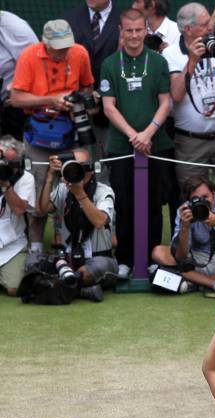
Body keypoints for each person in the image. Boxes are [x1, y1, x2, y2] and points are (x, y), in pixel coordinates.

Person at [100, 8, 174, 279]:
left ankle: (152, 257)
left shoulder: (157, 62)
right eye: (128, 30)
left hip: (156, 144)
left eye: (138, 30)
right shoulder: (109, 63)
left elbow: (166, 101)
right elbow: (109, 107)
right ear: (121, 31)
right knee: (124, 204)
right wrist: (134, 136)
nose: (133, 36)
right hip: (122, 147)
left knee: (154, 203)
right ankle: (126, 260)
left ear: (146, 31)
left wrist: (148, 134)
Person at [10, 19, 95, 253]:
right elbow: (16, 98)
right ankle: (36, 248)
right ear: (44, 42)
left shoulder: (79, 53)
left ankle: (68, 247)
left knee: (70, 188)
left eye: (66, 46)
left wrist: (77, 100)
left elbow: (88, 89)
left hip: (71, 131)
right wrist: (51, 100)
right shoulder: (29, 56)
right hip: (38, 134)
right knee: (37, 194)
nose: (63, 52)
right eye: (57, 47)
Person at [163, 2, 215, 194]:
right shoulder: (171, 53)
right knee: (194, 197)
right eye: (205, 24)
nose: (210, 27)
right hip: (191, 142)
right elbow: (177, 95)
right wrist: (192, 61)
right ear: (188, 29)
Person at [37, 149, 117, 302]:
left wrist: (80, 194)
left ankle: (59, 284)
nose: (77, 171)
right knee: (32, 263)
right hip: (68, 258)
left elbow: (99, 222)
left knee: (88, 272)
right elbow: (41, 209)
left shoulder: (104, 191)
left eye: (82, 166)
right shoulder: (62, 189)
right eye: (73, 166)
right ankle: (82, 290)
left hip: (98, 258)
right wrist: (49, 178)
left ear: (91, 170)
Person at [63, 0, 122, 174]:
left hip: (114, 109)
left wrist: (101, 93)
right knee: (77, 167)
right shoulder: (69, 19)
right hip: (73, 109)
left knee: (109, 168)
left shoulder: (125, 21)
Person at [0, 137, 35, 297]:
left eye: (10, 164)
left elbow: (19, 209)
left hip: (12, 246)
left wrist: (6, 185)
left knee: (15, 288)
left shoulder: (25, 178)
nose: (5, 166)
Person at [0, 10, 38, 140]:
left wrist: (15, 88)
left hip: (10, 107)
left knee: (12, 153)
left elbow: (35, 67)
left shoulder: (15, 27)